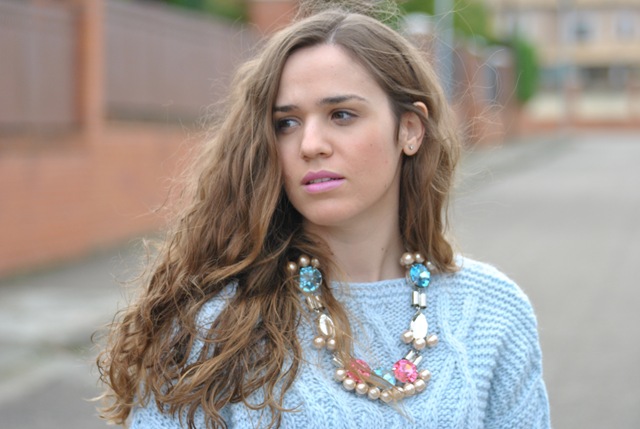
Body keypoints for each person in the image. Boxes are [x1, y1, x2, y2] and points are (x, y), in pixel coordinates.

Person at [96, 3, 551, 428]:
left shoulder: (493, 312)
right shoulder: (214, 325)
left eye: (342, 114)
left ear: (409, 129)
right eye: (286, 123)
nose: (310, 144)